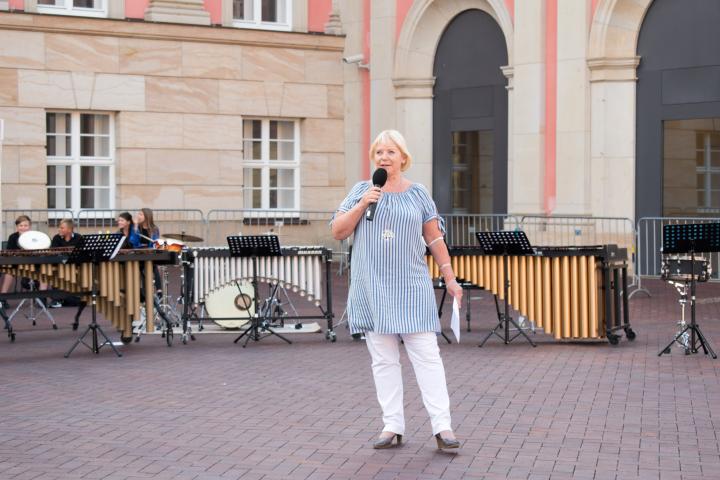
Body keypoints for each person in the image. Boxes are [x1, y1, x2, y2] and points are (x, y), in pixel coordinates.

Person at [331, 130, 463, 450]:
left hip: (411, 286)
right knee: (384, 360)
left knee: (427, 356)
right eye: (379, 152)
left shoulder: (418, 194)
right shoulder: (362, 191)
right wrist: (363, 203)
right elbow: (338, 231)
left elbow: (434, 238)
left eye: (391, 152)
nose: (384, 158)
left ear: (403, 158)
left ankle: (442, 427)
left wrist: (449, 277)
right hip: (373, 286)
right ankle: (392, 425)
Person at [0, 215, 52, 307]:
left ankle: (42, 297)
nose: (23, 228)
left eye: (25, 225)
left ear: (30, 227)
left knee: (45, 269)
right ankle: (3, 298)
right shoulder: (13, 237)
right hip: (18, 263)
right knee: (9, 272)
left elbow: (42, 249)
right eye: (21, 225)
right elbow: (9, 253)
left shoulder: (35, 236)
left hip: (34, 262)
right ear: (17, 227)